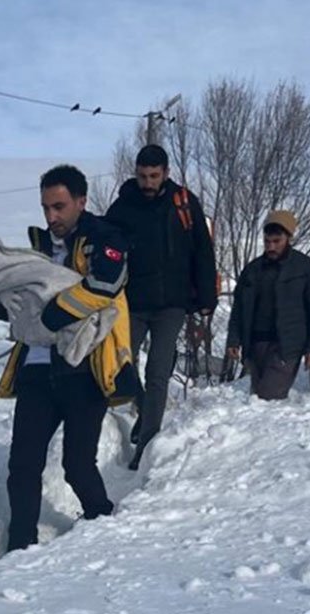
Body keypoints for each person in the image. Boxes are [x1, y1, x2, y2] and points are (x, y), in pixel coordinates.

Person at [0, 164, 141, 553]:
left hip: (84, 370)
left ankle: (102, 524)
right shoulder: (37, 247)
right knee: (22, 465)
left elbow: (106, 284)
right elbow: (15, 290)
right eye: (45, 207)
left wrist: (52, 314)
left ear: (81, 201)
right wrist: (4, 303)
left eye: (59, 206)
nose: (51, 216)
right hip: (36, 370)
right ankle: (19, 547)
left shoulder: (105, 237)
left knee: (77, 465)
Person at [105, 144, 216, 470]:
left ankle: (146, 444)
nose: (148, 183)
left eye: (154, 176)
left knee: (158, 372)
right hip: (133, 303)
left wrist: (206, 296)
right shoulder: (124, 205)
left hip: (172, 303)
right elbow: (104, 244)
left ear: (166, 173)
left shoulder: (184, 203)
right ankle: (143, 410)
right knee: (120, 365)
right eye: (143, 176)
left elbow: (202, 250)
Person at [225, 210, 310, 400]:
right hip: (255, 344)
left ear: (288, 238)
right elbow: (239, 308)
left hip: (287, 346)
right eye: (267, 242)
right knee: (258, 398)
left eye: (276, 241)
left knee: (268, 397)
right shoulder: (252, 270)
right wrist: (234, 340)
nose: (271, 247)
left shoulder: (306, 268)